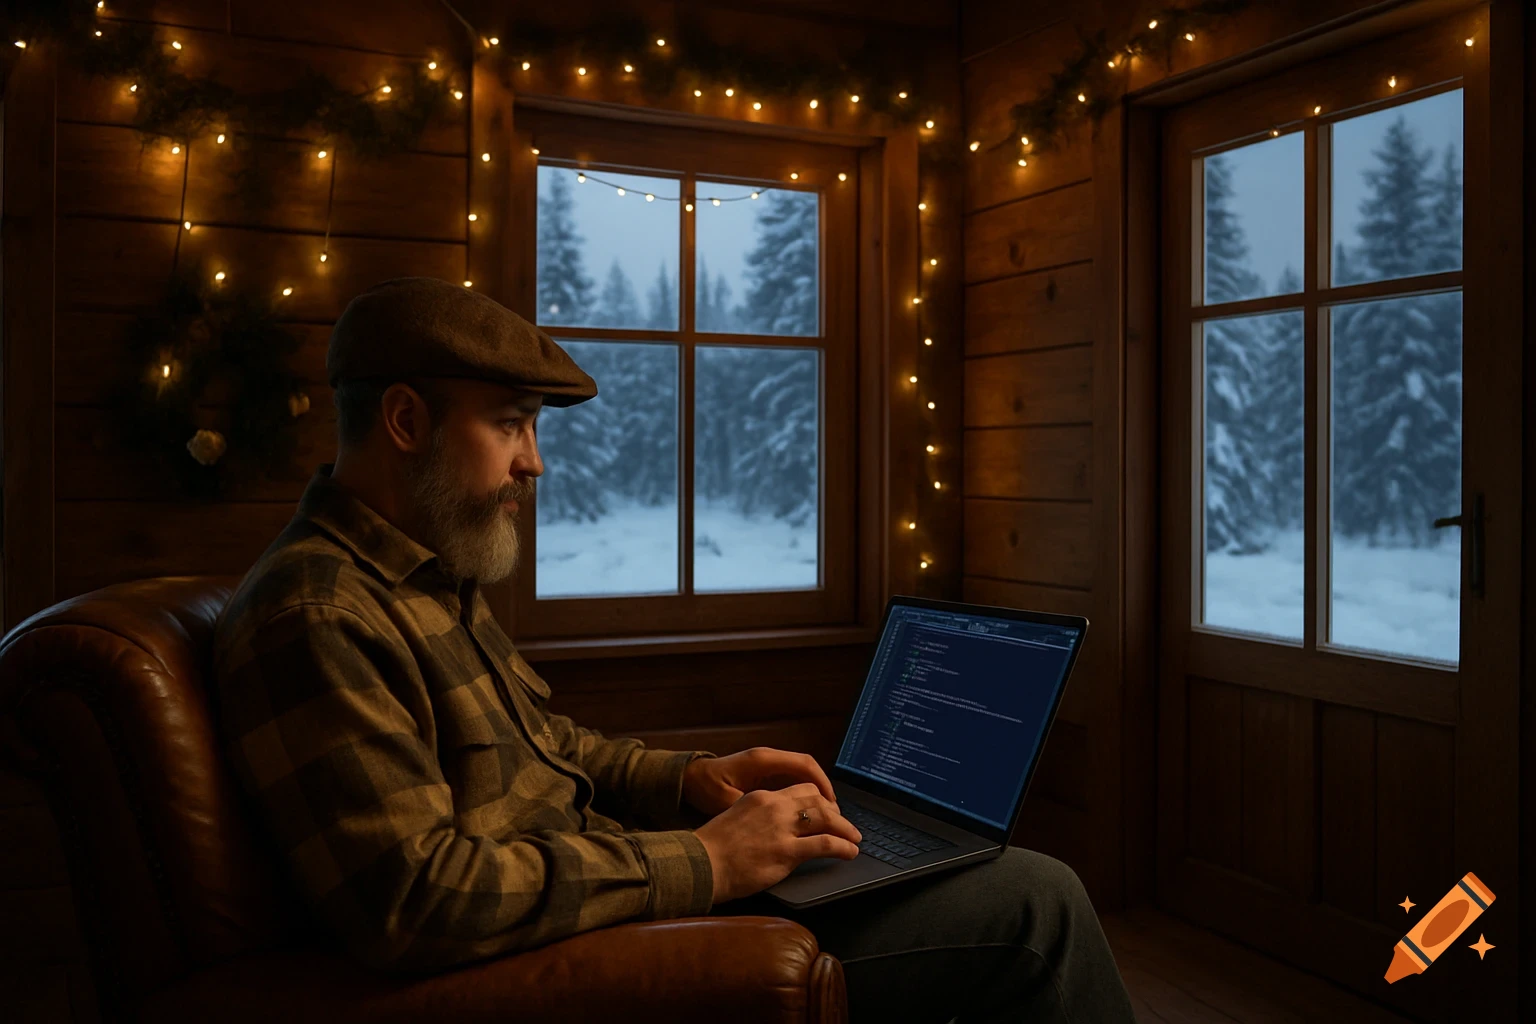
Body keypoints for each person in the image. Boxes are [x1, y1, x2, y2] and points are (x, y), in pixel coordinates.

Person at [213, 277, 1135, 1022]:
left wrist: (693, 779)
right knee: (1036, 902)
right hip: (594, 954)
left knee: (938, 867)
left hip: (619, 894)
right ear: (405, 422)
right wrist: (710, 862)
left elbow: (547, 750)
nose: (534, 461)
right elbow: (417, 900)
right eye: (509, 423)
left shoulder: (419, 580)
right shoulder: (320, 613)